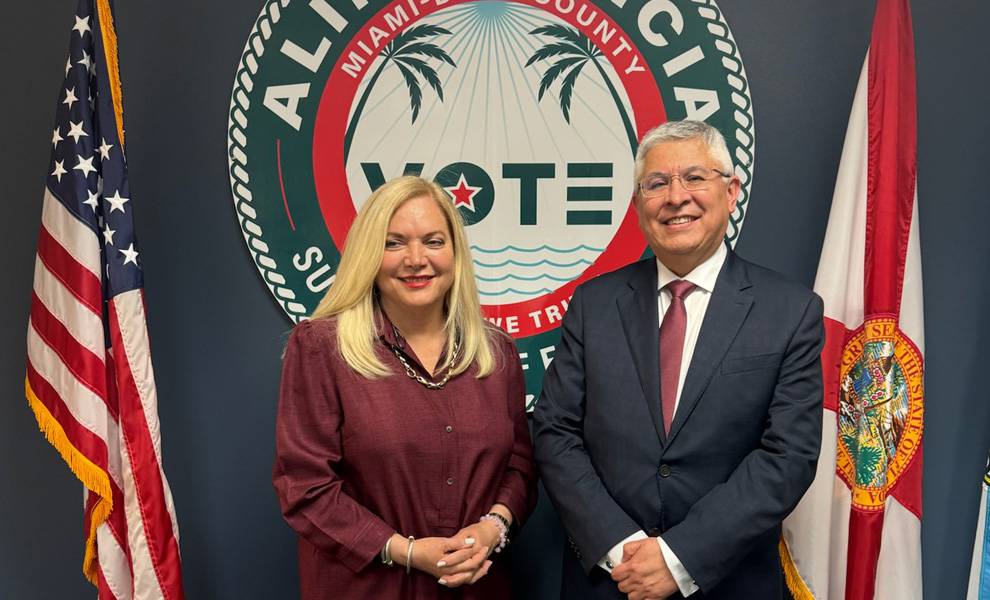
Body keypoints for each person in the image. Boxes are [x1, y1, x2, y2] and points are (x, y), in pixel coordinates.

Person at [532, 120, 825, 599]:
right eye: (657, 183)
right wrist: (621, 546)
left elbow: (788, 455)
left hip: (730, 583)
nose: (675, 196)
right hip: (611, 582)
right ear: (637, 204)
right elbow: (554, 430)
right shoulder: (594, 305)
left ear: (731, 192)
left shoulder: (790, 311)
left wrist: (679, 557)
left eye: (694, 177)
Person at [273, 176, 537, 599]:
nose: (416, 259)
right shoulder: (322, 347)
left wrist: (493, 528)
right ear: (368, 255)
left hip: (478, 588)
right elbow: (305, 488)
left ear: (455, 253)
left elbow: (520, 467)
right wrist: (407, 552)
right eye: (394, 243)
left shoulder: (496, 353)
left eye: (433, 241)